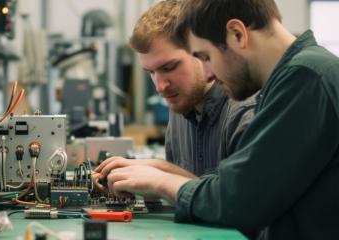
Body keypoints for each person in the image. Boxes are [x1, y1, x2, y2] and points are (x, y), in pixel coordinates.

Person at [98, 0, 339, 239]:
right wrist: (162, 171)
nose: (208, 73)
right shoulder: (296, 78)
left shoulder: (306, 78)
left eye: (206, 56)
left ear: (237, 34)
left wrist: (163, 182)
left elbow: (240, 201)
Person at [94, 0, 255, 190]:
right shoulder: (180, 106)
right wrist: (155, 171)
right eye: (150, 73)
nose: (160, 87)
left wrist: (162, 175)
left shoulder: (243, 113)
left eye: (169, 67)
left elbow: (240, 201)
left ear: (202, 52)